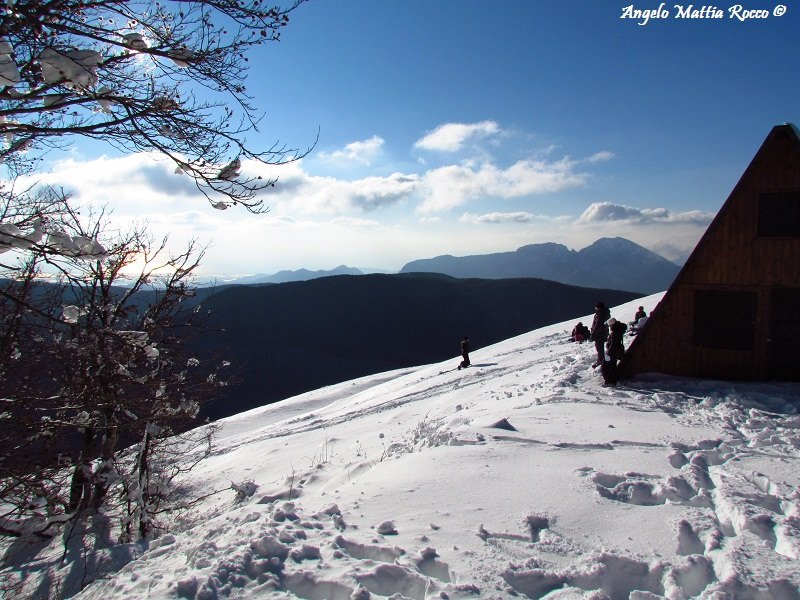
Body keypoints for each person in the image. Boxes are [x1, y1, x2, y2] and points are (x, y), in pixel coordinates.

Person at [601, 317, 628, 386]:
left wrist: (608, 354)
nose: (609, 327)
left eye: (609, 325)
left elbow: (614, 344)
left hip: (612, 353)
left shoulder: (615, 332)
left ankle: (609, 382)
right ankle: (613, 381)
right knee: (612, 367)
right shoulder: (618, 330)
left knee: (605, 367)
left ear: (612, 325)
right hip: (615, 352)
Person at [590, 302, 610, 367]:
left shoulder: (601, 314)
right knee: (599, 347)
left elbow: (597, 325)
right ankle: (601, 359)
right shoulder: (605, 313)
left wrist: (593, 334)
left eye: (596, 307)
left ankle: (601, 360)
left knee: (599, 347)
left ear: (598, 307)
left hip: (599, 334)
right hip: (603, 333)